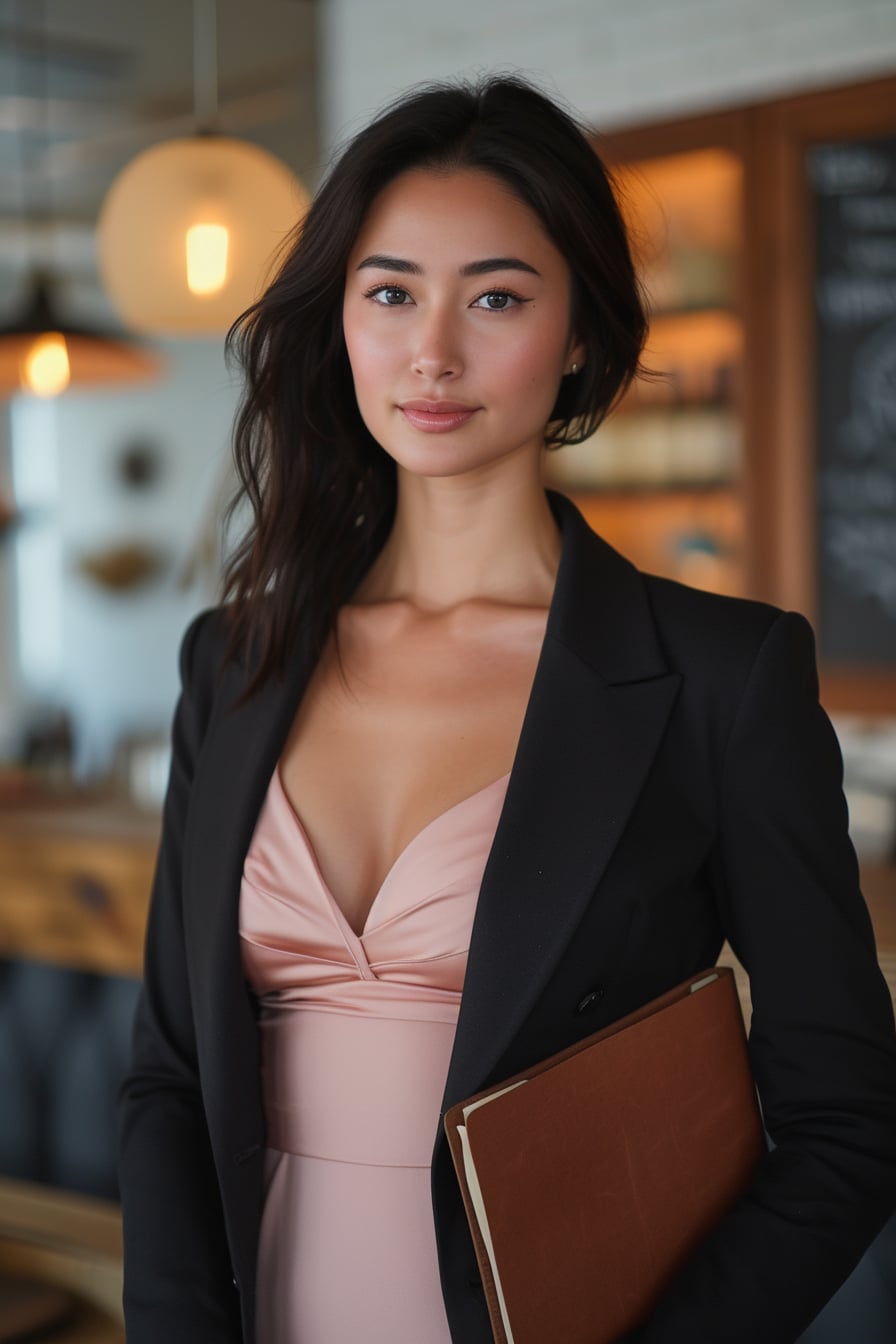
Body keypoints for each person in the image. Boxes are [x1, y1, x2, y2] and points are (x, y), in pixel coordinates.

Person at [117, 75, 896, 1344]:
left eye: (494, 297)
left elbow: (847, 1117)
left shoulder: (717, 677)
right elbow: (167, 1073)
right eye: (389, 294)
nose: (432, 352)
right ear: (340, 326)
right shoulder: (234, 662)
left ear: (580, 331)